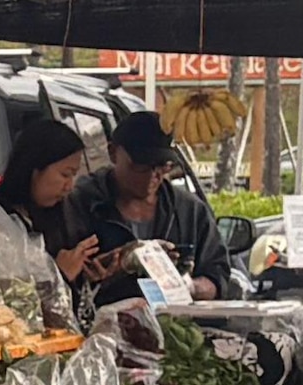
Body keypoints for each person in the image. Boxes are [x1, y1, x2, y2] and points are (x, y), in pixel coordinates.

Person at [60, 106, 238, 295]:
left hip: (172, 321)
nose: (152, 176)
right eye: (140, 166)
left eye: (163, 167)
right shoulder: (77, 204)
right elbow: (55, 276)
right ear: (113, 153)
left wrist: (188, 287)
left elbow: (217, 277)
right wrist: (96, 274)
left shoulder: (190, 211)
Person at [0, 114, 120, 301]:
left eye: (74, 176)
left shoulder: (62, 216)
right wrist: (57, 275)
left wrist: (85, 274)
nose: (69, 186)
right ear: (34, 168)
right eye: (65, 174)